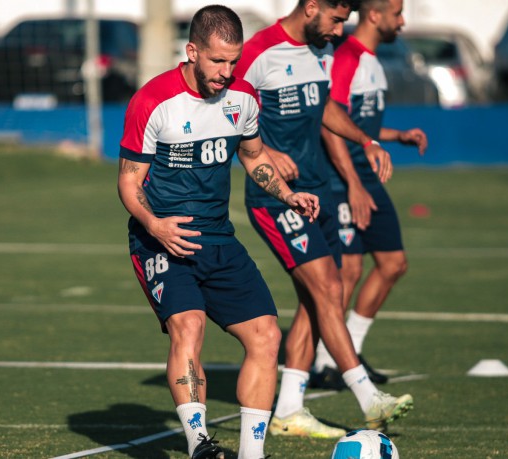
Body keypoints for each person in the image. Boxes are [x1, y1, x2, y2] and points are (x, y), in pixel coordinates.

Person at [117, 6, 320, 459]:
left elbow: (252, 156)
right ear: (191, 51)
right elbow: (129, 181)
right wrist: (154, 224)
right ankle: (200, 446)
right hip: (161, 239)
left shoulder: (244, 98)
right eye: (217, 61)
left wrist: (287, 194)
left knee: (267, 335)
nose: (227, 72)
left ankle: (251, 454)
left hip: (219, 239)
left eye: (234, 61)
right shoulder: (153, 101)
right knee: (188, 327)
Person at [233, 0, 413, 438]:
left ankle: (290, 409)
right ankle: (369, 397)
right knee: (330, 287)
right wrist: (266, 153)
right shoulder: (259, 51)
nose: (338, 31)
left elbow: (326, 108)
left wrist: (366, 139)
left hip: (318, 193)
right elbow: (226, 108)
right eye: (335, 19)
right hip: (275, 198)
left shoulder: (320, 51)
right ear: (311, 7)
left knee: (317, 299)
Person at [312, 0, 428, 388]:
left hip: (365, 177)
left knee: (393, 263)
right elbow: (330, 126)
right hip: (344, 180)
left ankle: (349, 352)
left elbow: (357, 123)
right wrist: (354, 185)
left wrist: (397, 136)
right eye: (397, 12)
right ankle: (327, 362)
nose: (403, 20)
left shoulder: (373, 61)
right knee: (348, 271)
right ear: (375, 15)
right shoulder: (346, 58)